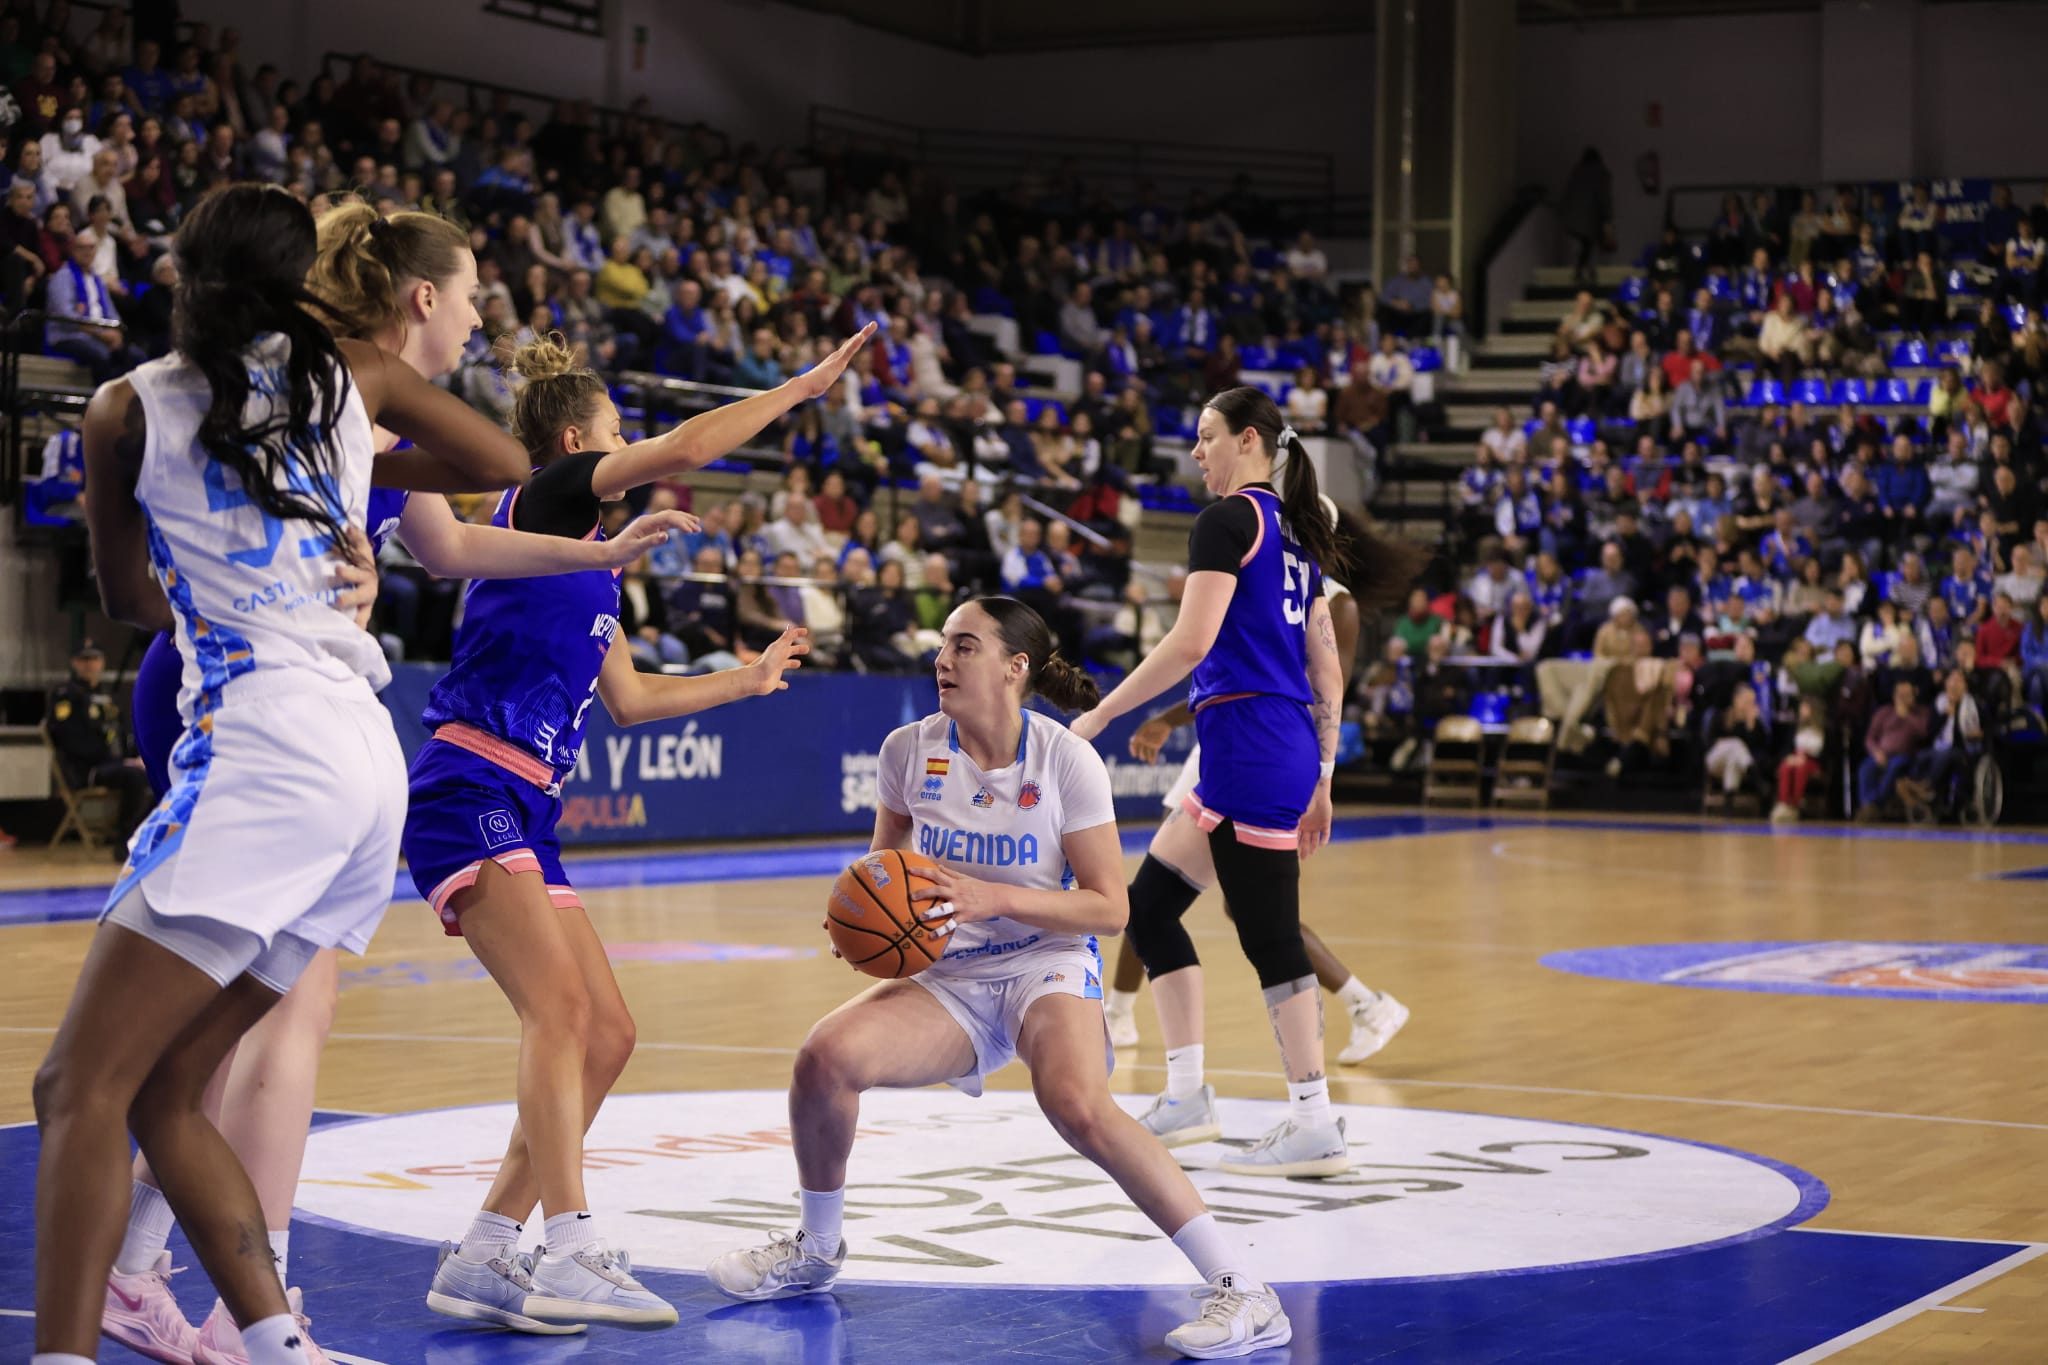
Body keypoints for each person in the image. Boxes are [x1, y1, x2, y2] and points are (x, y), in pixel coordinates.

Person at [101, 200, 698, 1365]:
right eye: (472, 295)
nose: (482, 320)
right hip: (243, 681)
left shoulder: (354, 410)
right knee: (272, 1022)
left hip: (284, 687)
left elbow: (459, 545)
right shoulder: (316, 390)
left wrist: (596, 555)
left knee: (236, 1029)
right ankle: (250, 1312)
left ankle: (155, 1275)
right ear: (419, 300)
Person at [35, 183, 528, 1365]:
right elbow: (503, 455)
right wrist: (342, 511)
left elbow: (119, 599)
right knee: (167, 1086)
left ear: (177, 274)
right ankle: (272, 1342)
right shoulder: (346, 374)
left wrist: (238, 594)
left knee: (76, 1089)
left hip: (262, 743)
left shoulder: (122, 408)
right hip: (364, 751)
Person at [407, 323, 873, 1331]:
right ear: (579, 439)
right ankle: (569, 1244)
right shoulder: (548, 496)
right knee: (559, 1016)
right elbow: (687, 452)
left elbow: (629, 699)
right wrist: (800, 385)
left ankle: (486, 1251)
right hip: (470, 781)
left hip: (529, 802)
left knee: (609, 1033)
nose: (632, 444)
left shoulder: (593, 566)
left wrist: (742, 682)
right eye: (617, 430)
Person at [705, 596, 1292, 1359]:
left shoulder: (1063, 760)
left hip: (1045, 958)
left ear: (1015, 668)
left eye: (965, 645)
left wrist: (994, 898)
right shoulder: (907, 750)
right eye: (943, 643)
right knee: (823, 1060)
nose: (943, 658)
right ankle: (816, 1250)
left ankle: (1243, 1286)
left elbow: (1110, 909)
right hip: (951, 974)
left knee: (1077, 1102)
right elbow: (884, 872)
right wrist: (859, 918)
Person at [1072, 388, 1423, 1176]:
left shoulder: (1228, 521)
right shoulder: (1297, 536)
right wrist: (1324, 774)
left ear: (1250, 440)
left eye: (1206, 436)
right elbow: (1325, 666)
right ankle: (1189, 1095)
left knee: (1267, 934)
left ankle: (1314, 1121)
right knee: (1151, 909)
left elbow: (1191, 641)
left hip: (1251, 744)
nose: (1196, 452)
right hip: (1271, 744)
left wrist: (1099, 716)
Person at [1101, 498, 1407, 1064]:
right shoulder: (1260, 570)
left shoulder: (1332, 602)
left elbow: (1315, 687)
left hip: (1267, 750)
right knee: (1166, 901)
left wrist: (1322, 780)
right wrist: (1170, 717)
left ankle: (1358, 1020)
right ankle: (1121, 1015)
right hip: (1233, 737)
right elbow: (1222, 661)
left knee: (1254, 919)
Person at [45, 642, 153, 850]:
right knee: (133, 777)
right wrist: (120, 761)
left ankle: (146, 836)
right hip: (86, 769)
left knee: (155, 772)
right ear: (74, 663)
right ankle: (124, 839)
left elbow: (123, 734)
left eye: (94, 659)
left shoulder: (107, 698)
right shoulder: (65, 694)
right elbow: (70, 740)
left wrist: (137, 757)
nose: (89, 665)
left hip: (114, 763)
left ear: (102, 663)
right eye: (84, 660)